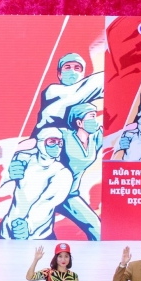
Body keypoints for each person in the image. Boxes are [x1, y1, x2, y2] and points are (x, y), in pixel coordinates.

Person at [0, 126, 73, 240]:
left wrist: (29, 226)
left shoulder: (62, 173)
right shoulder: (23, 158)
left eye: (60, 143)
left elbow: (45, 204)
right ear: (41, 143)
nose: (57, 146)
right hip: (6, 230)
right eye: (52, 141)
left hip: (38, 236)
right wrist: (8, 174)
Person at [57, 103, 103, 241]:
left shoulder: (95, 138)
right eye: (91, 116)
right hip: (49, 193)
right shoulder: (64, 135)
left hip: (70, 195)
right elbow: (39, 141)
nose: (95, 120)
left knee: (97, 230)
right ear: (79, 122)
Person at [33, 53, 104, 132]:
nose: (72, 71)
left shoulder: (84, 96)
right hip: (48, 135)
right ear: (59, 74)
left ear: (82, 74)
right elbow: (97, 82)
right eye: (67, 67)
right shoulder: (52, 90)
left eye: (77, 68)